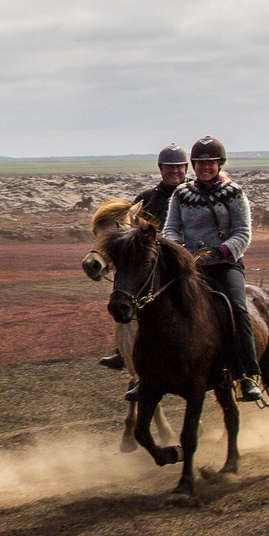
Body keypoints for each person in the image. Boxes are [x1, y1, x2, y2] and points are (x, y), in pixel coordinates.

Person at [164, 137, 263, 403]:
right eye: (200, 163)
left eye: (210, 162)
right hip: (189, 266)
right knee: (158, 303)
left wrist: (219, 252)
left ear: (219, 164)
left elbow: (243, 233)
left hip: (225, 265)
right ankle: (151, 373)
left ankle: (248, 374)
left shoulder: (234, 193)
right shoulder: (181, 194)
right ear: (194, 164)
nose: (205, 167)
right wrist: (177, 251)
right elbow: (171, 228)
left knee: (237, 309)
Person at [98, 144, 190, 370]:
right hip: (154, 266)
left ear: (186, 168)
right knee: (126, 293)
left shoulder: (195, 194)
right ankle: (123, 351)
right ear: (161, 169)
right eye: (170, 167)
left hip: (190, 262)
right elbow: (130, 233)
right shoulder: (147, 199)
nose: (174, 171)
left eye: (179, 167)